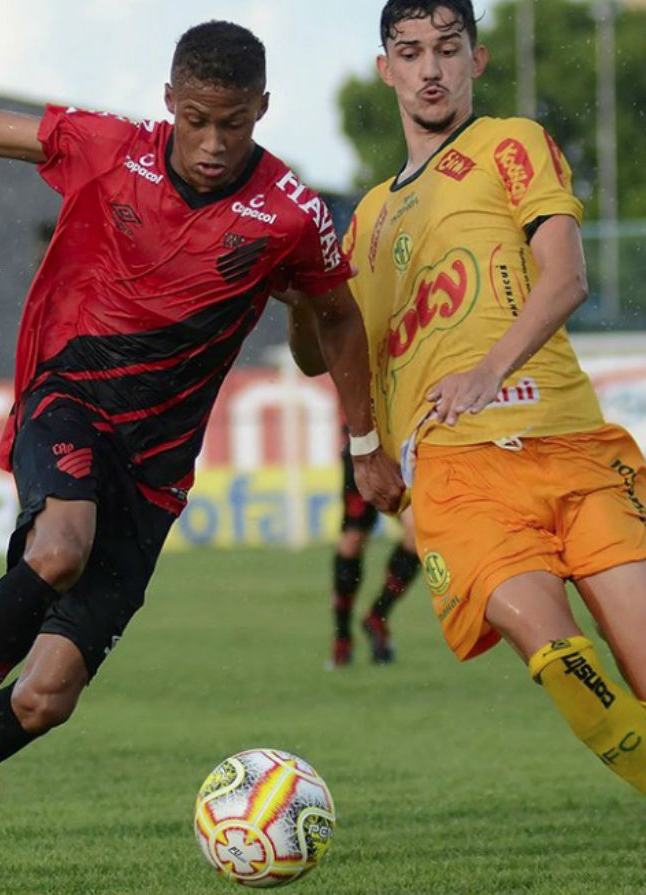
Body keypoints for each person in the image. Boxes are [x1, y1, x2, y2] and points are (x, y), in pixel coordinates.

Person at [0, 2, 405, 891]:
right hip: (70, 398)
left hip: (154, 475)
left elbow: (333, 319)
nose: (213, 142)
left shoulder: (291, 215)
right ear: (169, 101)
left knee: (44, 695)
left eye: (233, 123)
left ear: (262, 109)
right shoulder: (108, 147)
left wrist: (365, 439)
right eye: (196, 119)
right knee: (59, 547)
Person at [323, 0, 646, 795]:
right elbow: (325, 348)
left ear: (477, 58)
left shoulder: (512, 144)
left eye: (447, 48)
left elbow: (567, 277)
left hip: (575, 445)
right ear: (386, 69)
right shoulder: (365, 220)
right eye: (410, 52)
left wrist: (489, 369)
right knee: (562, 660)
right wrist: (362, 443)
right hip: (459, 474)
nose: (430, 68)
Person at [328, 429, 420, 667]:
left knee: (418, 531)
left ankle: (378, 614)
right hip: (364, 447)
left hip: (402, 444)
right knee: (353, 539)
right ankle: (342, 636)